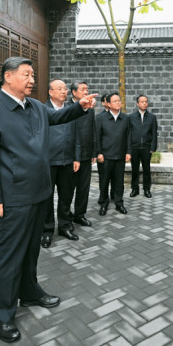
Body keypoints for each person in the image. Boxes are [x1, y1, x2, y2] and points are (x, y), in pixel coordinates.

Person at [0, 57, 97, 343]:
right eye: (27, 75)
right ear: (8, 77)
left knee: (30, 250)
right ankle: (1, 315)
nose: (32, 80)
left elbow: (57, 117)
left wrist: (79, 107)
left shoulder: (36, 107)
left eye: (33, 75)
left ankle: (29, 292)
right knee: (9, 255)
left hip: (39, 192)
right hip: (13, 196)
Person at [41, 79, 79, 247]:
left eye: (65, 88)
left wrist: (76, 157)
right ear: (50, 92)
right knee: (46, 198)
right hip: (48, 162)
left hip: (67, 160)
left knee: (66, 196)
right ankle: (47, 231)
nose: (64, 91)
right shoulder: (42, 110)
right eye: (60, 89)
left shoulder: (71, 111)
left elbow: (77, 136)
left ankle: (65, 226)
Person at [95, 92, 131, 216]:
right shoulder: (100, 118)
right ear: (108, 104)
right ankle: (103, 204)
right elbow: (97, 137)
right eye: (115, 101)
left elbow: (129, 136)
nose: (118, 103)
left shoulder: (126, 118)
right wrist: (98, 153)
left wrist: (128, 152)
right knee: (104, 181)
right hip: (105, 156)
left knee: (119, 181)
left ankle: (119, 203)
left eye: (119, 100)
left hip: (120, 156)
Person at [69, 81, 95, 229]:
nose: (86, 91)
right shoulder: (67, 108)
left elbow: (93, 130)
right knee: (68, 189)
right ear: (73, 92)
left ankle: (80, 215)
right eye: (82, 89)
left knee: (83, 188)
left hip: (86, 154)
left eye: (87, 89)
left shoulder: (90, 108)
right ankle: (66, 216)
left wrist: (93, 152)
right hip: (70, 156)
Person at [129, 95, 158, 198]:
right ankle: (134, 189)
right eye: (142, 102)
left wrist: (153, 147)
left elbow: (154, 133)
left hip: (146, 148)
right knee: (134, 170)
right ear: (137, 104)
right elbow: (129, 134)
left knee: (146, 169)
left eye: (146, 102)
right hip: (135, 148)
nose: (144, 103)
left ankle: (147, 189)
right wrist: (129, 149)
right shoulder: (131, 117)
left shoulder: (152, 117)